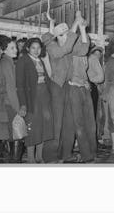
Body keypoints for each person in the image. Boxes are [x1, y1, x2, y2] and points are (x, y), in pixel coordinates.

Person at [41, 14, 81, 163]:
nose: (67, 37)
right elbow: (63, 50)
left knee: (68, 123)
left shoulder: (67, 46)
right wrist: (75, 23)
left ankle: (66, 154)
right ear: (57, 36)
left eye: (67, 34)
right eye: (63, 35)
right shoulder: (51, 45)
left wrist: (79, 28)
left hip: (67, 85)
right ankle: (50, 156)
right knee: (56, 123)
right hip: (56, 86)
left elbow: (81, 49)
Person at [59, 18, 97, 163]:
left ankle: (69, 153)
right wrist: (77, 24)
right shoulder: (66, 50)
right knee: (80, 124)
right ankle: (87, 154)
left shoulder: (81, 51)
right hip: (73, 88)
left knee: (86, 123)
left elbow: (85, 45)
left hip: (83, 89)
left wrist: (82, 27)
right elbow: (70, 39)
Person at [16, 38, 54, 163]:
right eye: (33, 47)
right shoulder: (23, 61)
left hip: (44, 97)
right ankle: (31, 159)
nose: (36, 50)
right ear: (28, 48)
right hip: (32, 98)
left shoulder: (40, 61)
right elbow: (20, 85)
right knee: (33, 128)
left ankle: (39, 156)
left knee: (44, 127)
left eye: (38, 48)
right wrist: (22, 104)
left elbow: (47, 79)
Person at [0, 37, 26, 162]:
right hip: (9, 104)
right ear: (4, 50)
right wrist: (18, 108)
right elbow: (10, 88)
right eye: (12, 48)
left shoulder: (8, 61)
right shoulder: (7, 63)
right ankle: (15, 162)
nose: (16, 49)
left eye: (15, 47)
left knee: (12, 135)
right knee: (16, 135)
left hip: (8, 103)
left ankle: (12, 161)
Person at [88, 46, 105, 144]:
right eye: (96, 53)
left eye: (100, 54)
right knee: (93, 113)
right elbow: (100, 77)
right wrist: (91, 81)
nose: (98, 56)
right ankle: (93, 138)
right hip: (92, 87)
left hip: (93, 88)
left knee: (95, 113)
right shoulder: (93, 59)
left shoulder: (90, 59)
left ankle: (94, 137)